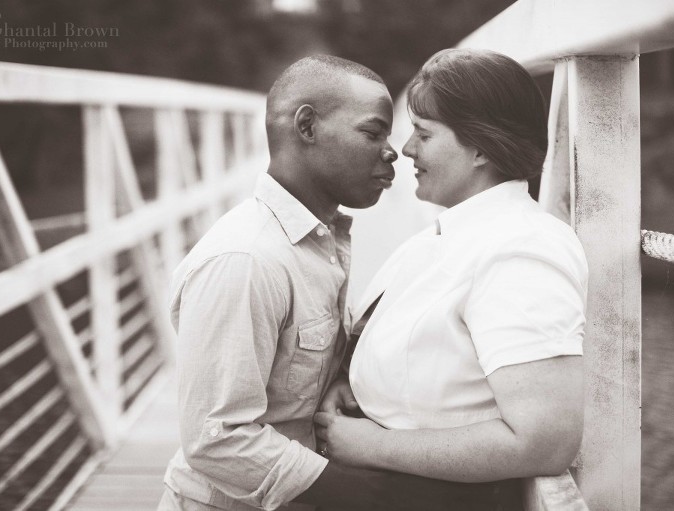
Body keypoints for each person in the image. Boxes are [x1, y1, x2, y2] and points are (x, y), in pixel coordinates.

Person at [159, 54, 511, 511]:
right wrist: (386, 497)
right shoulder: (246, 260)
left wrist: (343, 378)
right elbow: (215, 439)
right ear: (307, 127)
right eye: (372, 132)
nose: (394, 151)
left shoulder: (322, 241)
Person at [315, 49, 589, 503]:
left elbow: (545, 442)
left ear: (481, 146)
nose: (405, 150)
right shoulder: (451, 233)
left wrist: (374, 445)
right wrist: (357, 384)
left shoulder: (521, 252)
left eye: (423, 134)